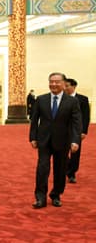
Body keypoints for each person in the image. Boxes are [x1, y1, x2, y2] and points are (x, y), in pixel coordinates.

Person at [29, 72, 82, 209]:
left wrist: (75, 140)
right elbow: (34, 120)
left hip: (63, 141)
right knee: (42, 168)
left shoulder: (72, 101)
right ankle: (40, 197)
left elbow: (77, 122)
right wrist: (33, 137)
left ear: (64, 84)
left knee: (60, 169)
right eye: (51, 81)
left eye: (57, 82)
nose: (53, 84)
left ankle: (56, 194)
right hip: (44, 140)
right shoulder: (41, 100)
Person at [64, 78, 90, 184]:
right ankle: (68, 170)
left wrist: (84, 131)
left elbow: (85, 116)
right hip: (63, 130)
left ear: (74, 86)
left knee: (75, 152)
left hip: (76, 130)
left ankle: (72, 173)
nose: (65, 88)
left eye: (67, 86)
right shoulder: (62, 98)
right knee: (62, 152)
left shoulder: (83, 99)